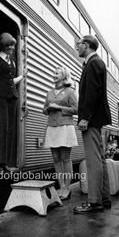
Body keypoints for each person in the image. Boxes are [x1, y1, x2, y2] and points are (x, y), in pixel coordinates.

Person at [74, 35, 112, 213]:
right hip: (96, 118)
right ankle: (104, 199)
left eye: (79, 44)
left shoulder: (93, 63)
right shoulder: (95, 63)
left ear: (87, 45)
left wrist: (85, 117)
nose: (77, 47)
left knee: (93, 161)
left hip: (92, 119)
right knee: (100, 159)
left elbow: (92, 93)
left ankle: (94, 202)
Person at [0, 32, 25, 172]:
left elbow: (11, 81)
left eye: (12, 45)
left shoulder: (13, 62)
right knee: (1, 127)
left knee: (9, 129)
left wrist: (22, 76)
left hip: (12, 97)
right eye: (8, 45)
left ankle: (5, 162)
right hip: (0, 96)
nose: (11, 47)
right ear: (2, 45)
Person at [43, 66, 78, 200]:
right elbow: (44, 109)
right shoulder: (49, 92)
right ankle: (61, 185)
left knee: (65, 158)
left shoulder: (70, 91)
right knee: (56, 159)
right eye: (54, 73)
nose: (54, 75)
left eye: (57, 73)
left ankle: (67, 188)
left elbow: (76, 109)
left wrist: (58, 107)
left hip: (65, 127)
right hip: (52, 126)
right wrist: (47, 109)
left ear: (64, 76)